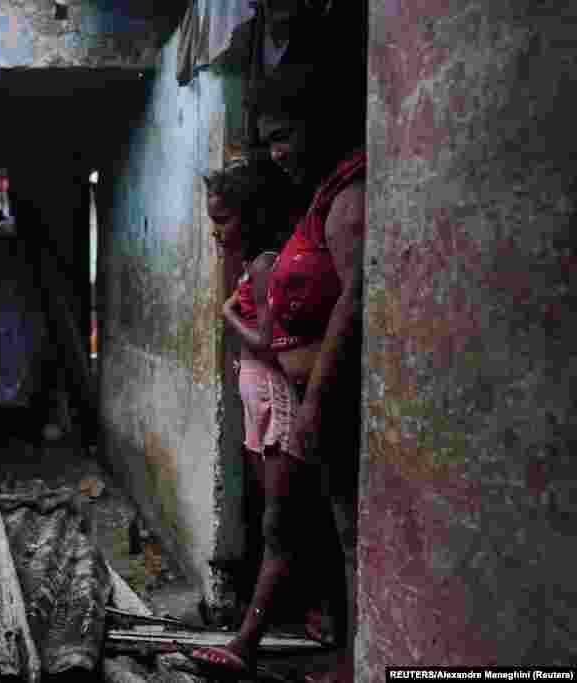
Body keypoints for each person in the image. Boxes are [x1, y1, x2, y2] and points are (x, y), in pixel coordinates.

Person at [192, 62, 367, 682]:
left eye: (285, 134)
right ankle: (340, 649)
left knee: (296, 526)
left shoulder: (345, 197)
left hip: (303, 398)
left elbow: (345, 299)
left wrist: (312, 400)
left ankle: (288, 646)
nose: (279, 151)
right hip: (292, 396)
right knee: (316, 525)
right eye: (270, 141)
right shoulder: (319, 202)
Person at [191, 157, 339, 676]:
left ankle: (252, 640)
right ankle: (313, 613)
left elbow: (269, 344)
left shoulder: (263, 265)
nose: (216, 231)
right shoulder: (252, 262)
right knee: (282, 514)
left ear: (250, 215)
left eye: (223, 220)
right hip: (260, 400)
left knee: (281, 521)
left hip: (274, 398)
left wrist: (228, 315)